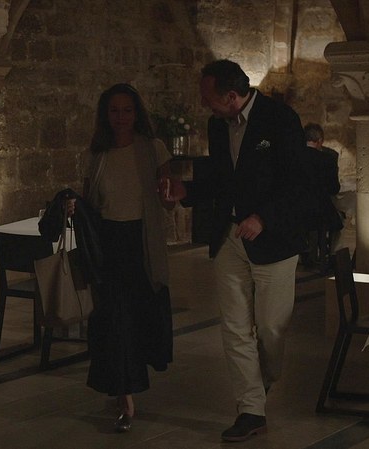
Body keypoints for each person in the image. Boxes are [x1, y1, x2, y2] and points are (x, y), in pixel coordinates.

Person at [168, 60, 315, 442]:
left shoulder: (280, 119)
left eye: (209, 98)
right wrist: (187, 191)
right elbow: (222, 179)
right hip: (230, 237)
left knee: (271, 328)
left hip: (274, 241)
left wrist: (264, 218)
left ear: (231, 96)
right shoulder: (218, 125)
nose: (205, 105)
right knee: (234, 327)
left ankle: (261, 382)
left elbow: (300, 182)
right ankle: (251, 409)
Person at [77, 83, 175, 433]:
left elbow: (167, 199)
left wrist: (170, 194)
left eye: (127, 110)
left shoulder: (152, 149)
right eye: (115, 111)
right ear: (106, 114)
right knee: (115, 321)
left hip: (141, 244)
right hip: (108, 244)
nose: (121, 117)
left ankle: (126, 388)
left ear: (137, 113)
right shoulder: (97, 154)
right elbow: (89, 204)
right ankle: (125, 397)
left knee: (135, 320)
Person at [303, 123, 343, 271]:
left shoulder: (293, 157)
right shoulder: (327, 158)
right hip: (320, 208)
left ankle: (308, 253)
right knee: (339, 219)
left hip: (299, 207)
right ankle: (331, 255)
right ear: (320, 140)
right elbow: (334, 188)